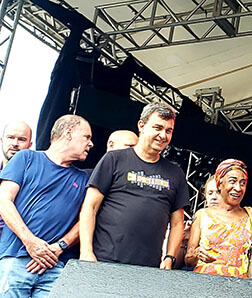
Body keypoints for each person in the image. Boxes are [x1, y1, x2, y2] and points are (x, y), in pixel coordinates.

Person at [79, 102, 189, 269]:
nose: (163, 135)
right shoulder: (114, 159)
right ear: (141, 126)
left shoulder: (175, 173)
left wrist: (169, 258)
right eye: (157, 128)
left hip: (147, 268)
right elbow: (90, 207)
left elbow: (177, 223)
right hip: (104, 260)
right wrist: (86, 251)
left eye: (168, 130)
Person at [0, 115, 93, 297]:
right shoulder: (26, 158)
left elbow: (87, 219)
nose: (91, 144)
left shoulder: (84, 179)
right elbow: (3, 200)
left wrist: (60, 246)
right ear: (68, 133)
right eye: (86, 137)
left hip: (55, 265)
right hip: (16, 258)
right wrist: (31, 242)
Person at [185, 159, 252, 277]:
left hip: (238, 286)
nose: (238, 188)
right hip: (204, 284)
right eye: (232, 181)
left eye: (243, 183)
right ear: (219, 184)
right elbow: (188, 260)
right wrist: (196, 254)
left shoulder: (250, 216)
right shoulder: (202, 215)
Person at [0, 121, 33, 238]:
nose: (15, 143)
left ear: (30, 144)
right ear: (2, 140)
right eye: (10, 138)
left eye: (21, 139)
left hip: (17, 244)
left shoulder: (35, 178)